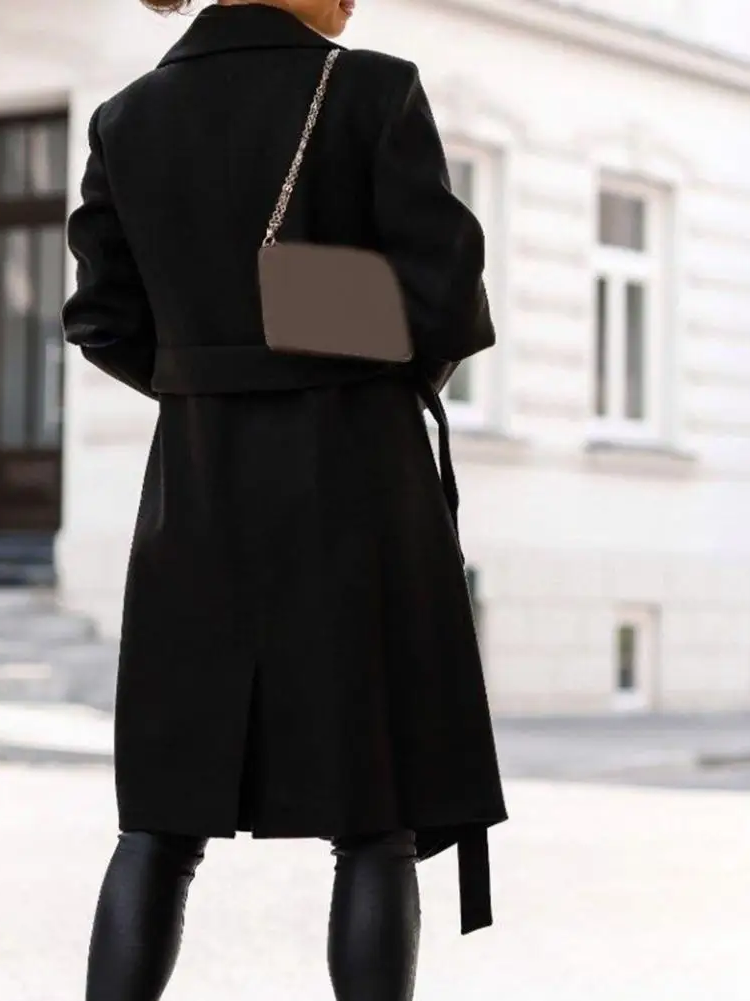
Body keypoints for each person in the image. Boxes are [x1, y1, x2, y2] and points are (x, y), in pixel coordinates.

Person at [61, 1, 508, 998]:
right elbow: (446, 302)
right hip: (356, 489)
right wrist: (352, 367)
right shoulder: (371, 89)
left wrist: (212, 381)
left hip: (196, 499)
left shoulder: (125, 117)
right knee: (374, 823)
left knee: (159, 823)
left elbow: (102, 322)